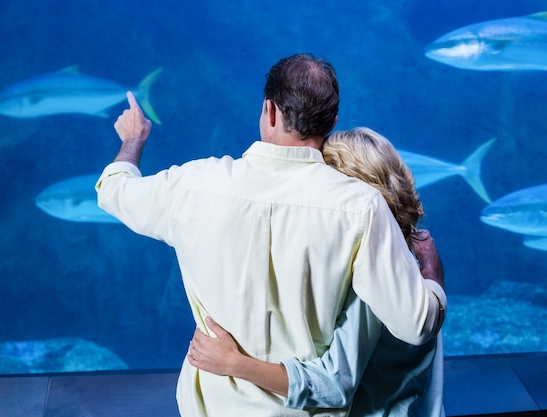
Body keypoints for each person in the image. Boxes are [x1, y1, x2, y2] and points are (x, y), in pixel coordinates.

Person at [96, 54, 446, 417]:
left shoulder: (194, 185)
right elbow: (416, 325)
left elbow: (113, 191)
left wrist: (133, 141)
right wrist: (433, 279)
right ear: (331, 122)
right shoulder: (361, 208)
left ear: (270, 111)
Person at [188, 127, 445, 417]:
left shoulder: (371, 278)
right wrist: (435, 280)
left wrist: (234, 363)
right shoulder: (411, 259)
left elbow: (335, 385)